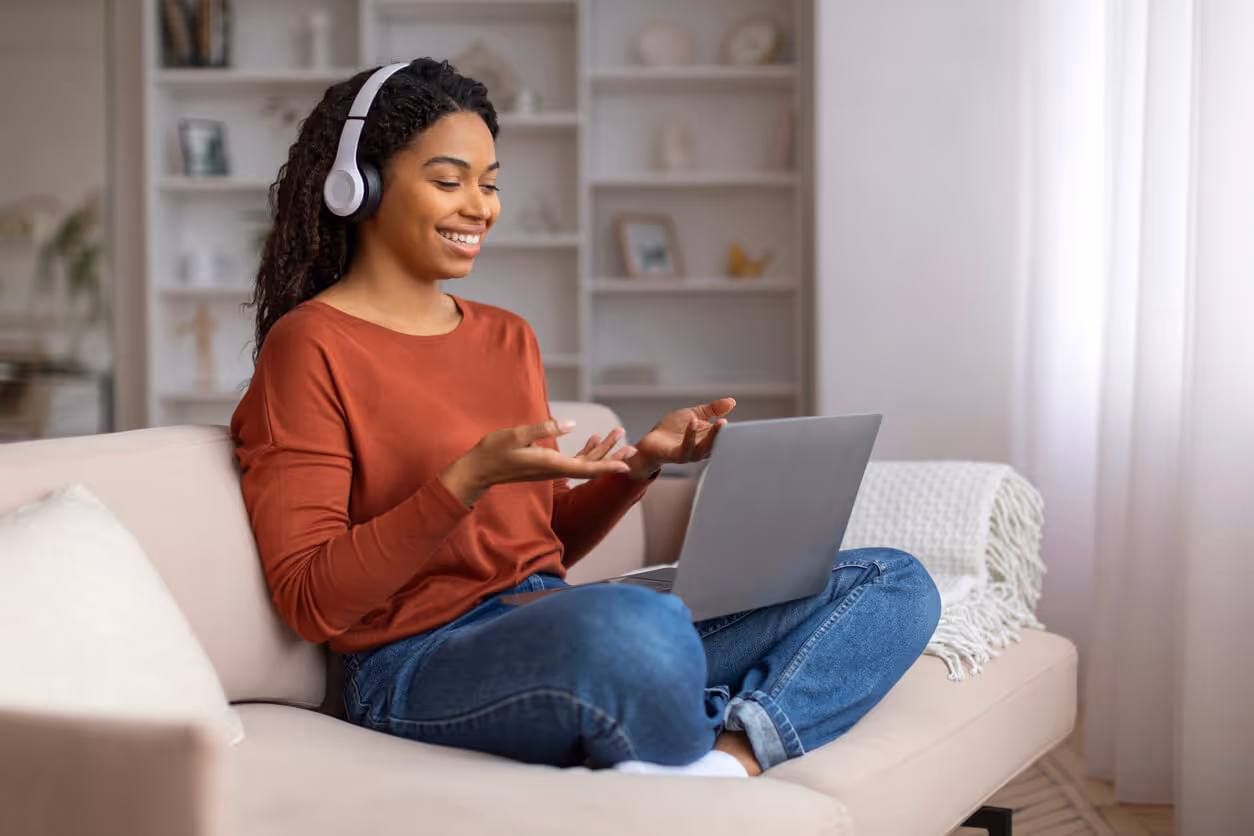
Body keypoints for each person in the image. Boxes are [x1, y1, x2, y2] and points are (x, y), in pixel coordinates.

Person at [231, 58, 942, 779]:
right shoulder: (311, 345)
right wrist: (463, 482)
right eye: (449, 182)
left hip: (555, 621)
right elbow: (312, 601)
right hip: (416, 660)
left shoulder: (507, 336)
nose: (480, 208)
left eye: (490, 184)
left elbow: (541, 550)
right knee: (638, 629)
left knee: (893, 580)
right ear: (360, 186)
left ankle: (726, 761)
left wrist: (639, 466)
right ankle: (668, 711)